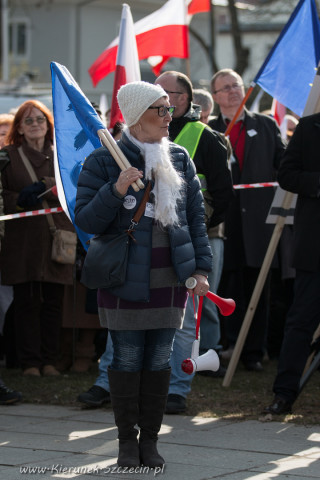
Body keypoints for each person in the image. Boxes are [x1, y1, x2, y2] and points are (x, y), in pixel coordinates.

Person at [74, 81, 212, 468]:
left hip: (171, 279)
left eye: (171, 109)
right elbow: (86, 220)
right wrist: (115, 190)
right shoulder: (104, 159)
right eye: (162, 109)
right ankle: (125, 443)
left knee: (159, 361)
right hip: (124, 279)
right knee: (129, 358)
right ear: (136, 116)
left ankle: (150, 441)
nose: (171, 116)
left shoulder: (181, 157)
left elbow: (195, 221)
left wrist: (201, 268)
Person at [154, 71, 233, 413]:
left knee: (192, 313)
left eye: (166, 94)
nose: (160, 101)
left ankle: (179, 384)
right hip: (154, 241)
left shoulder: (205, 136)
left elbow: (224, 195)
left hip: (198, 239)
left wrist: (197, 232)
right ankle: (123, 382)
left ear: (183, 98)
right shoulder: (138, 136)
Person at [209, 68, 285, 371]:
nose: (232, 91)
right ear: (215, 97)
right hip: (223, 223)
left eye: (235, 85)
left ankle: (254, 352)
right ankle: (227, 346)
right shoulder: (210, 130)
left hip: (258, 223)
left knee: (258, 287)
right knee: (227, 286)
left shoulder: (265, 126)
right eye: (224, 88)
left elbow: (283, 164)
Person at [0, 100, 75, 376]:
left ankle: (50, 361)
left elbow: (76, 192)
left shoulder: (62, 157)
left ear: (48, 125)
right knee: (27, 302)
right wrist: (19, 199)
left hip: (57, 235)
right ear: (19, 126)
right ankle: (29, 362)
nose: (35, 125)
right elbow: (1, 195)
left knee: (54, 302)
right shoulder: (6, 156)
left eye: (40, 120)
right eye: (28, 120)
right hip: (23, 239)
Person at [263, 113, 320, 415]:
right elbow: (287, 174)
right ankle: (284, 394)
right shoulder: (310, 126)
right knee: (300, 322)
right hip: (315, 247)